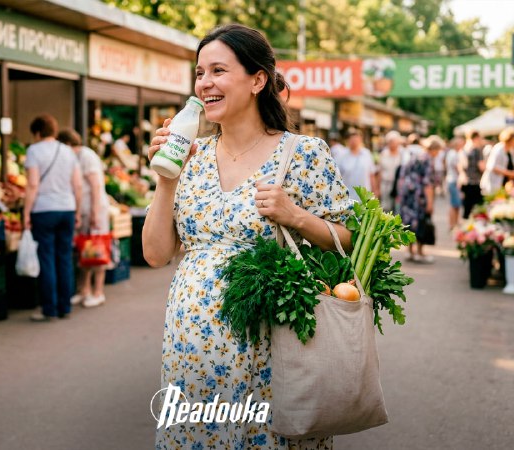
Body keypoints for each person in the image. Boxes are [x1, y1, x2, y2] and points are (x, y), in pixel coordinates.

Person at [144, 23, 352, 449]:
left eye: (218, 70)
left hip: (272, 345)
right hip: (193, 346)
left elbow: (347, 239)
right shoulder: (193, 156)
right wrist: (166, 178)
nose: (205, 83)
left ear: (258, 80)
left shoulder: (303, 153)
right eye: (200, 73)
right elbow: (155, 253)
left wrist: (295, 216)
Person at [23, 115, 82, 321]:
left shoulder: (33, 151)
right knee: (65, 258)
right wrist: (77, 210)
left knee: (46, 258)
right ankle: (65, 306)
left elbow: (32, 185)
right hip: (66, 208)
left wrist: (26, 212)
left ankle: (50, 309)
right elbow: (77, 184)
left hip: (43, 209)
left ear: (37, 133)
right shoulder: (67, 151)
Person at [57, 129, 110, 308]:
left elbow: (95, 186)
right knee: (85, 250)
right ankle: (84, 290)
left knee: (98, 249)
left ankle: (98, 292)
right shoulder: (75, 157)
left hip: (95, 209)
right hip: (85, 210)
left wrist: (95, 212)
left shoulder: (86, 156)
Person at [396, 135, 443, 263]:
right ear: (434, 149)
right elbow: (428, 184)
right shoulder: (428, 160)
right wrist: (430, 203)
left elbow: (403, 174)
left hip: (408, 194)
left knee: (410, 222)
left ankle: (410, 251)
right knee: (421, 222)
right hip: (419, 196)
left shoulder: (415, 156)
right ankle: (420, 252)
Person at [331, 127, 378, 203]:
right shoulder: (340, 155)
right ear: (347, 140)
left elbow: (371, 174)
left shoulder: (367, 154)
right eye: (352, 139)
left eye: (357, 138)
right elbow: (336, 176)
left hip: (364, 197)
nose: (354, 141)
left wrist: (375, 192)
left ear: (360, 139)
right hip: (347, 198)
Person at [480, 128, 514, 196]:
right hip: (494, 182)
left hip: (504, 183)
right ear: (509, 139)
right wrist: (509, 173)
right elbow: (492, 167)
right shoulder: (498, 149)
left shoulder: (511, 150)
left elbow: (512, 164)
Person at [458, 130, 486, 219]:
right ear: (476, 138)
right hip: (475, 183)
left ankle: (464, 230)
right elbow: (481, 166)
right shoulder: (476, 150)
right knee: (478, 210)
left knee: (466, 209)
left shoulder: (464, 149)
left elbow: (460, 166)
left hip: (465, 182)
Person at [377, 130, 403, 211]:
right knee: (386, 207)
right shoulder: (383, 154)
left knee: (398, 208)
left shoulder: (403, 154)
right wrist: (377, 188)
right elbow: (379, 171)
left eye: (394, 141)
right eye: (390, 142)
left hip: (399, 185)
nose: (392, 144)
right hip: (385, 184)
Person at [445, 136, 465, 230]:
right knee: (455, 204)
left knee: (456, 204)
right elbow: (458, 167)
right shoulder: (454, 154)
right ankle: (452, 224)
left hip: (452, 180)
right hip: (453, 181)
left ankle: (454, 223)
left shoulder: (451, 153)